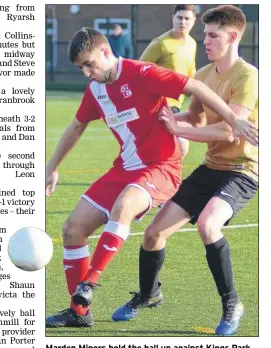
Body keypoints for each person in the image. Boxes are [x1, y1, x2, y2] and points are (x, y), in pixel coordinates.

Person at [45, 27, 258, 328]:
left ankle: (89, 284)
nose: (87, 73)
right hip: (124, 168)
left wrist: (234, 118)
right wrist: (51, 166)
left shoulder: (142, 73)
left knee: (125, 206)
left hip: (161, 167)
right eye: (81, 68)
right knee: (72, 228)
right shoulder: (96, 90)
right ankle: (78, 313)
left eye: (89, 64)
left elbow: (194, 87)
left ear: (106, 52)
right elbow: (76, 127)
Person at [112, 5, 258, 337]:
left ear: (232, 36)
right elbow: (193, 120)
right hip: (211, 168)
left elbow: (228, 131)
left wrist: (176, 132)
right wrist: (146, 122)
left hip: (243, 171)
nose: (203, 39)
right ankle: (149, 295)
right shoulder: (203, 76)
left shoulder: (249, 76)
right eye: (204, 34)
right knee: (152, 235)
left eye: (212, 35)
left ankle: (232, 303)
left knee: (208, 225)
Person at [140, 5, 197, 161]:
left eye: (187, 19)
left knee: (172, 148)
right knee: (182, 144)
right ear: (173, 18)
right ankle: (165, 178)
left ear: (194, 21)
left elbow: (190, 73)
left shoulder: (192, 44)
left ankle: (161, 177)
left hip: (177, 104)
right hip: (159, 103)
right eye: (179, 18)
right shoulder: (160, 43)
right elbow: (139, 70)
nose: (183, 22)